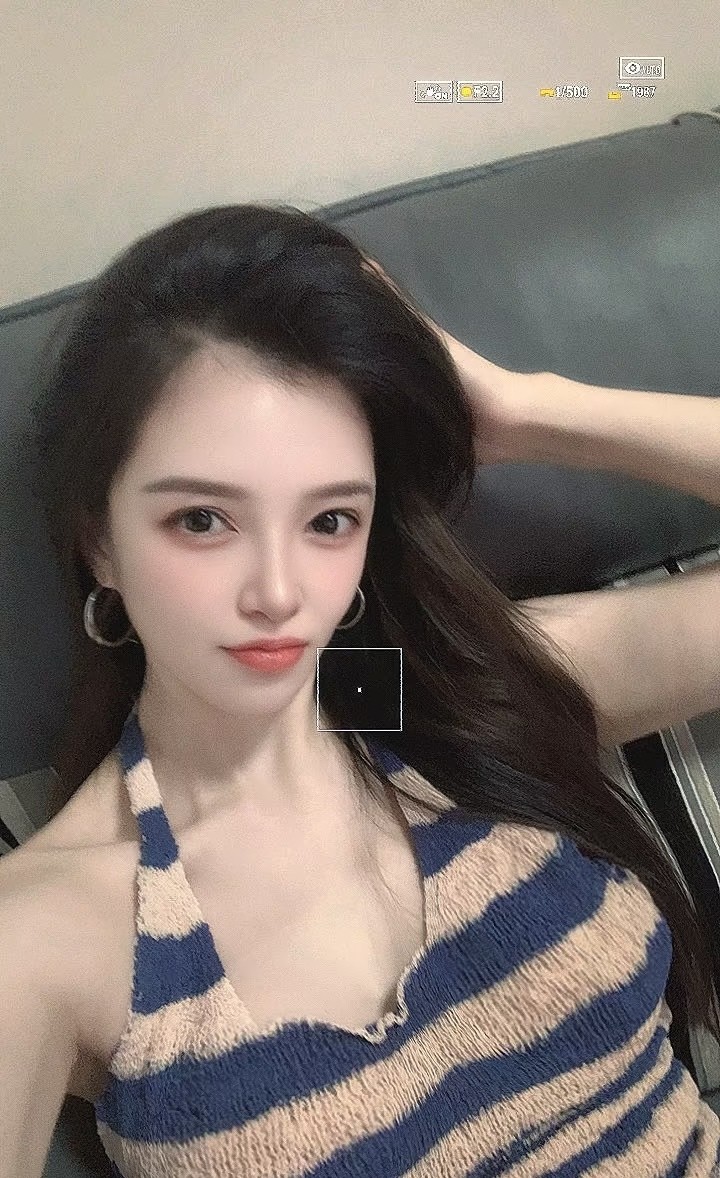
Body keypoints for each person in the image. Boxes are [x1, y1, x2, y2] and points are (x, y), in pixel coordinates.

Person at [19, 203, 720, 1174]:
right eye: (203, 520)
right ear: (100, 540)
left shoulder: (454, 700)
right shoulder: (50, 930)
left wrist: (522, 410)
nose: (278, 593)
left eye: (329, 520)